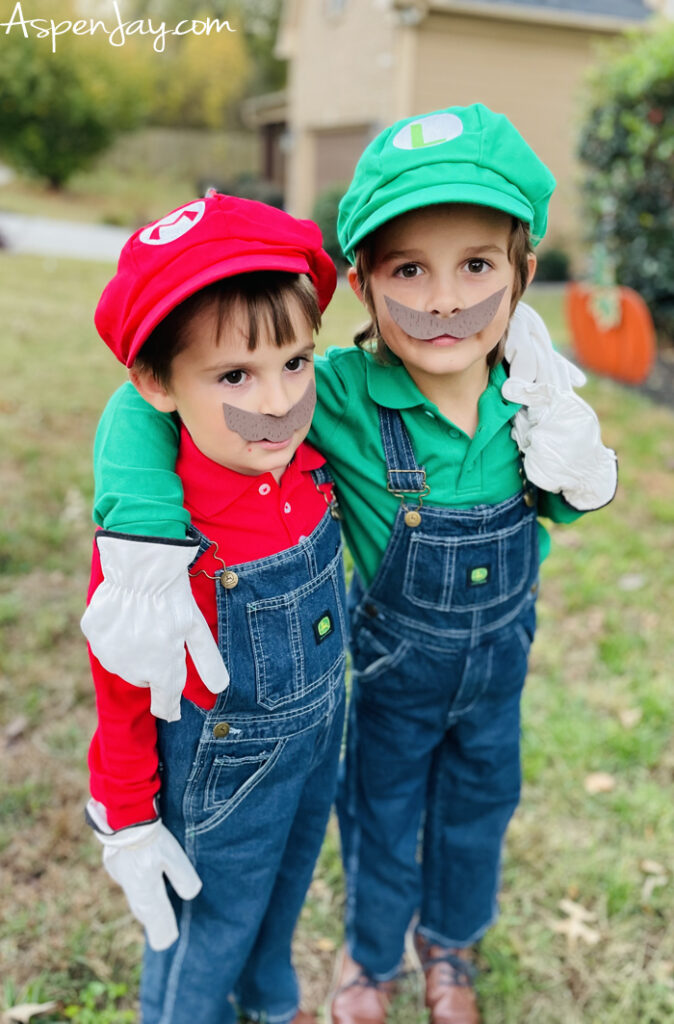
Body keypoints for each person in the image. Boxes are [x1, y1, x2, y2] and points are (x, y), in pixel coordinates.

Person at [82, 105, 617, 1024]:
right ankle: (369, 962)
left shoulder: (531, 398)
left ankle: (449, 946)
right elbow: (152, 394)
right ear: (364, 283)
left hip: (495, 672)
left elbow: (565, 500)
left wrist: (563, 417)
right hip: (387, 676)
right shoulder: (325, 392)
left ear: (522, 276)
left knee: (477, 811)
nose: (445, 300)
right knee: (377, 815)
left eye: (478, 267)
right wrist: (138, 537)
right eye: (410, 269)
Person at [83, 192, 347, 1024]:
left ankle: (270, 1003)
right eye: (234, 374)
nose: (277, 401)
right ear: (156, 383)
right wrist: (125, 810)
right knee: (210, 929)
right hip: (220, 769)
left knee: (285, 893)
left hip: (316, 742)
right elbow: (120, 682)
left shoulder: (310, 458)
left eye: (295, 362)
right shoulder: (156, 540)